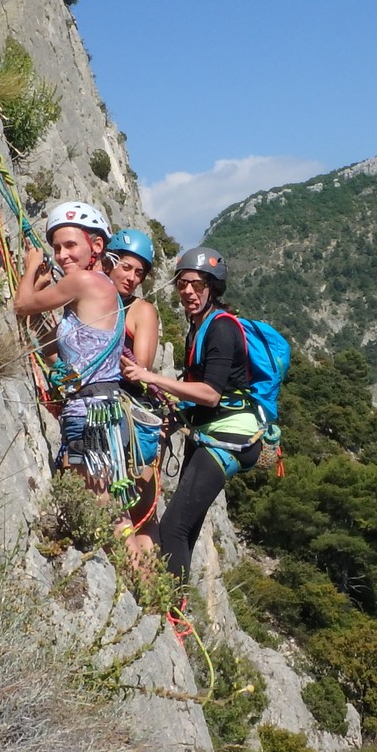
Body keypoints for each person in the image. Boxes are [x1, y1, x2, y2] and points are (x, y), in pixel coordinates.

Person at [120, 247, 263, 587]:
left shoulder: (221, 329)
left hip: (230, 437)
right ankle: (176, 599)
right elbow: (204, 392)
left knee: (174, 527)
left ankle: (171, 606)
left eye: (198, 285)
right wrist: (177, 416)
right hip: (209, 430)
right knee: (187, 527)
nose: (188, 292)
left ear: (213, 287)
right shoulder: (197, 327)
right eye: (182, 284)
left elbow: (211, 393)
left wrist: (151, 377)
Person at [13, 201, 121, 491]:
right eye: (57, 248)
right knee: (98, 498)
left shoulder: (84, 281)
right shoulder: (100, 286)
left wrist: (31, 266)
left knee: (94, 499)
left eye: (71, 245)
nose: (62, 255)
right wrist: (39, 287)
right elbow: (50, 351)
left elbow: (21, 305)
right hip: (94, 409)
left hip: (90, 413)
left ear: (96, 245)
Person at [102, 228, 163, 561]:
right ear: (109, 262)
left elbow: (141, 366)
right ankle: (144, 579)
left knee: (138, 514)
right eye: (126, 267)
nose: (132, 278)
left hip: (133, 414)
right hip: (108, 408)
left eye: (139, 272)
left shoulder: (142, 310)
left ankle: (147, 580)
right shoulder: (97, 299)